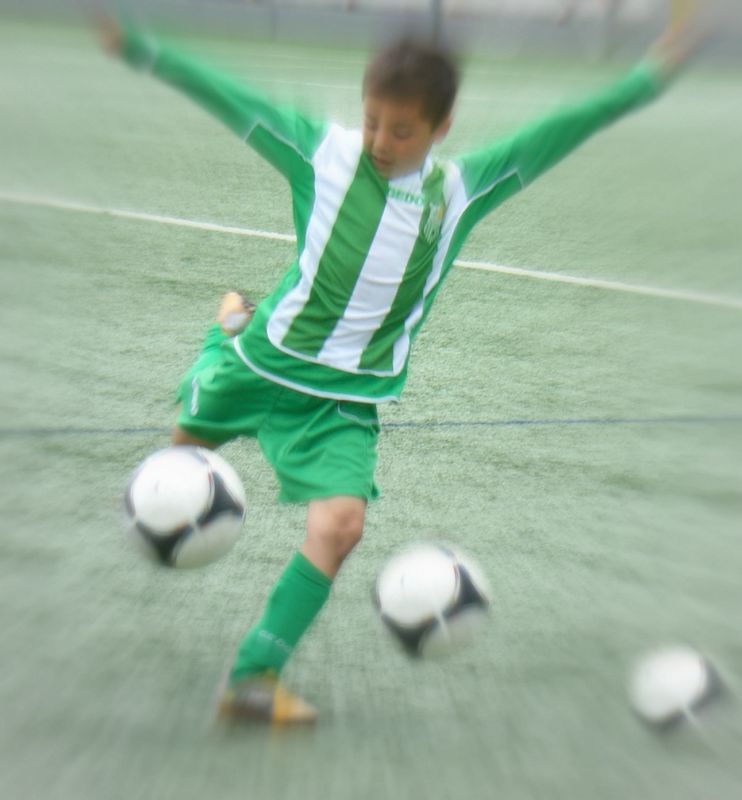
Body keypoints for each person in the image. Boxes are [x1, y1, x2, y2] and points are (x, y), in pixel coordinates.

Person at [97, 6, 699, 724]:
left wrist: (651, 74)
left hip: (341, 404)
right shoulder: (322, 153)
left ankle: (253, 678)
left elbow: (566, 128)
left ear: (441, 130)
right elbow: (231, 96)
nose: (381, 140)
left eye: (402, 129)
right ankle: (230, 327)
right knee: (172, 471)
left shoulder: (460, 191)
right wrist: (138, 48)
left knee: (342, 527)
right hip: (259, 366)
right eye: (374, 120)